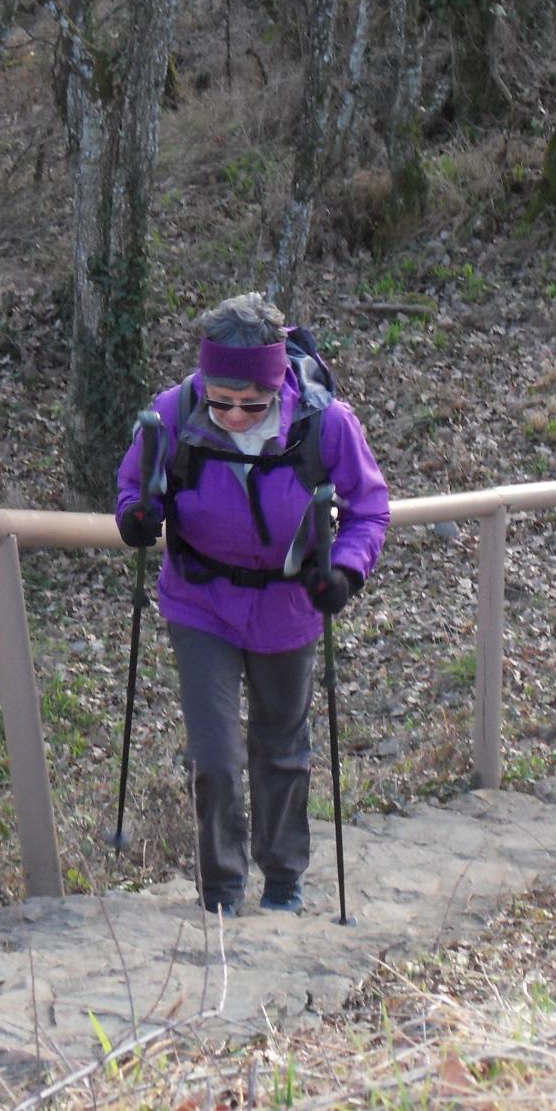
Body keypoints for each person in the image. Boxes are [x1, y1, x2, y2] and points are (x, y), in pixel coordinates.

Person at [115, 292, 390, 915]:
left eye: (252, 404)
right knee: (214, 756)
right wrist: (134, 517)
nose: (235, 415)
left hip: (290, 602)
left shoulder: (326, 422)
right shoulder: (175, 412)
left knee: (281, 746)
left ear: (277, 385)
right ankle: (221, 890)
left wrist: (344, 572)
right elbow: (135, 481)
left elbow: (370, 508)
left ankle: (285, 877)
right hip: (199, 601)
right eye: (222, 402)